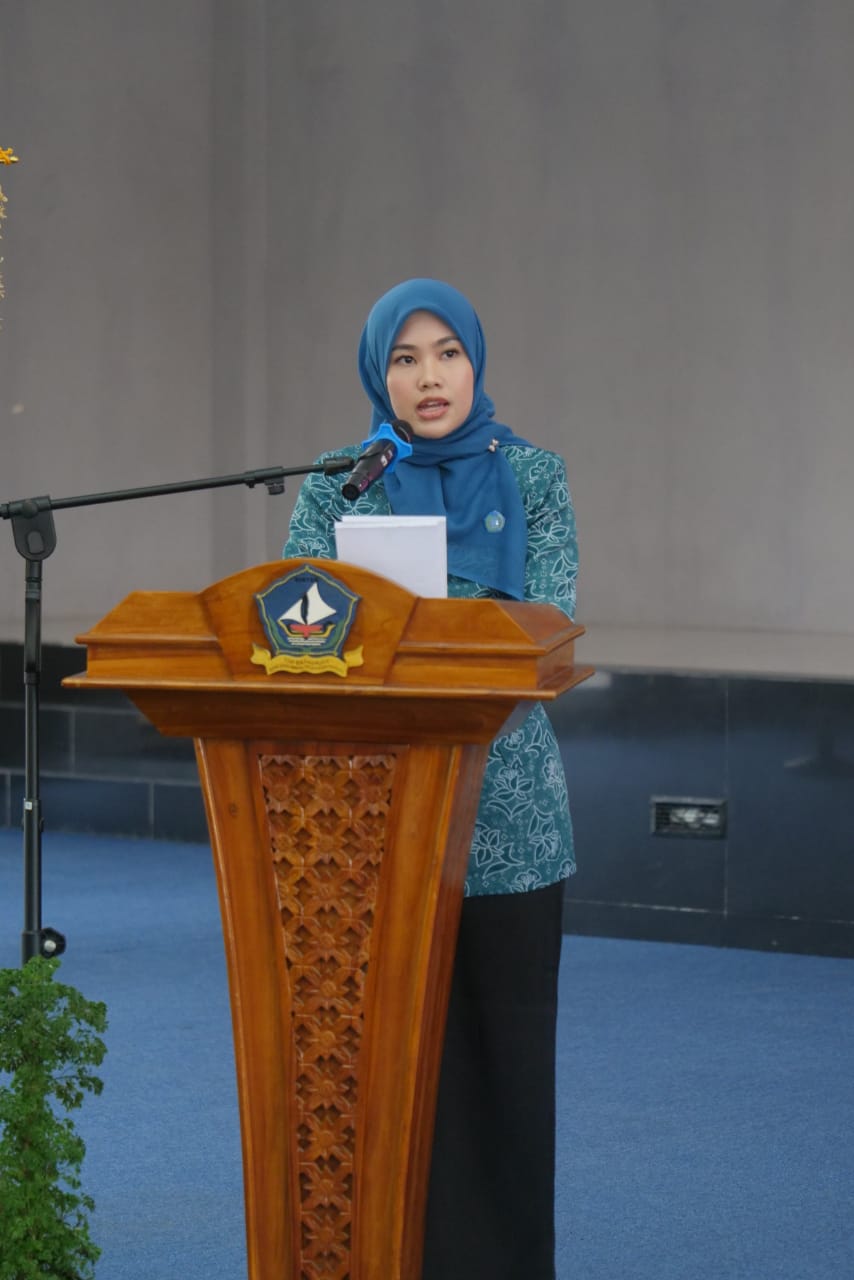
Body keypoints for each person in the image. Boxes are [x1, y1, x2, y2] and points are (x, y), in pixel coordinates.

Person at [283, 278, 578, 1280]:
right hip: (368, 817)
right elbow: (297, 629)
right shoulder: (341, 481)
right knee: (384, 1061)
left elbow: (548, 624)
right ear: (380, 375)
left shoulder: (534, 476)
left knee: (502, 1062)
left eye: (446, 352)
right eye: (404, 359)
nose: (428, 376)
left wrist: (408, 627)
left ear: (475, 361)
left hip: (508, 813)